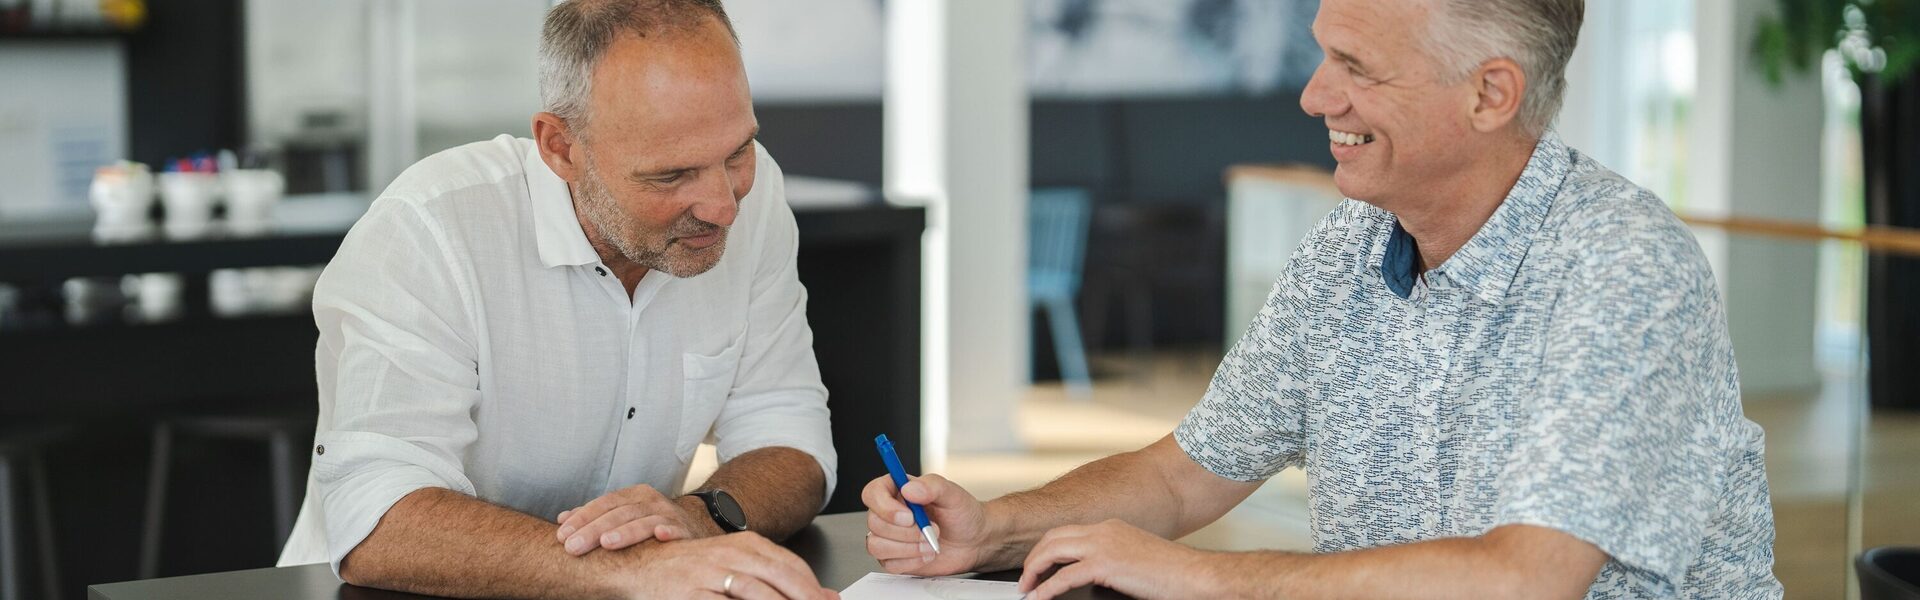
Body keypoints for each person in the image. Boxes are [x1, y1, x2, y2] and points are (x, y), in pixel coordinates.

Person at [864, 0, 1783, 598]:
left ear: (1490, 94)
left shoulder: (1624, 269)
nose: (1313, 96)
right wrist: (992, 529)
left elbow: (1527, 578)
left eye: (1357, 66)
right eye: (1320, 55)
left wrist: (1199, 579)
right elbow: (1185, 475)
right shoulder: (1348, 247)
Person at [277, 1, 839, 598]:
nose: (723, 205)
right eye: (671, 176)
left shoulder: (755, 198)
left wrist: (700, 519)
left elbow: (790, 434)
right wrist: (629, 570)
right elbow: (375, 516)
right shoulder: (429, 229)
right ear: (560, 148)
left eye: (737, 153)